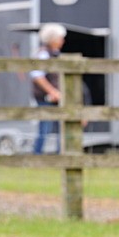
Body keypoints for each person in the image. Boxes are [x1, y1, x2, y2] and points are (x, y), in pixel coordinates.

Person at [30, 24, 66, 155]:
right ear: (53, 39)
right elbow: (37, 76)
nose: (62, 41)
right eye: (60, 38)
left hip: (55, 97)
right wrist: (52, 91)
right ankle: (37, 155)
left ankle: (60, 154)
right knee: (45, 127)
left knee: (60, 126)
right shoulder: (43, 54)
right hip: (45, 97)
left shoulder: (55, 54)